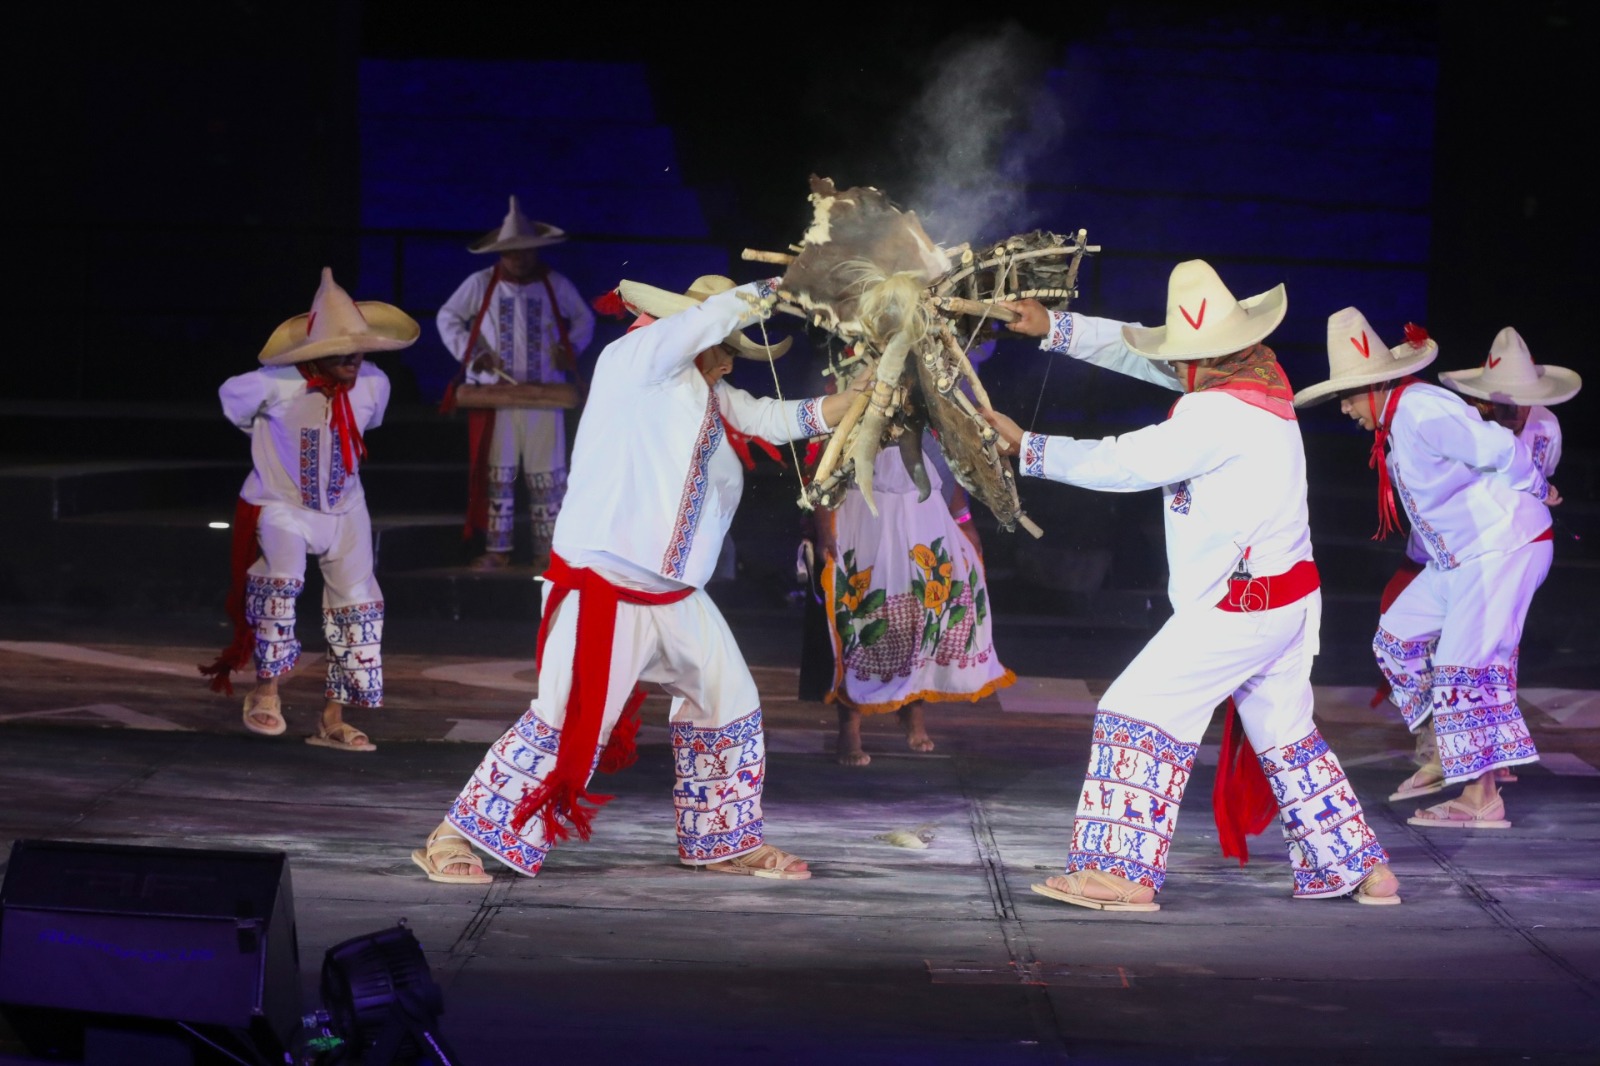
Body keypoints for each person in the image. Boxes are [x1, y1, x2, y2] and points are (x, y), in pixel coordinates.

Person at [412, 274, 870, 885]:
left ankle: (723, 840)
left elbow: (781, 418)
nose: (731, 357)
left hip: (676, 595)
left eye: (736, 345)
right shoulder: (634, 359)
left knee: (727, 703)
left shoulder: (708, 389)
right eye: (726, 342)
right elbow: (692, 331)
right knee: (568, 718)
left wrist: (866, 394)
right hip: (605, 585)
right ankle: (452, 835)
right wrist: (775, 288)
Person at [983, 260, 1399, 911]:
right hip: (1286, 600)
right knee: (1285, 734)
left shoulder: (1212, 415)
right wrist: (1054, 328)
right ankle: (1360, 867)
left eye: (1184, 357)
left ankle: (1121, 876)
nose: (1174, 367)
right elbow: (1145, 353)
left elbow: (1125, 462)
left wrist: (1029, 449)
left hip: (1240, 609)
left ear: (1206, 358)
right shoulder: (1258, 376)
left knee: (1135, 710)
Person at [1294, 308, 1559, 830]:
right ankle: (1444, 749)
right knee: (1396, 639)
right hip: (1460, 556)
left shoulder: (1420, 409)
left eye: (1347, 395)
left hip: (1503, 546)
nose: (1345, 408)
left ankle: (1481, 797)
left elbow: (1501, 446)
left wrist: (1538, 487)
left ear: (1374, 387)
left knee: (1465, 667)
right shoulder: (1401, 421)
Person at [200, 268, 419, 751]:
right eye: (341, 348)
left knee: (358, 605)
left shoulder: (374, 384)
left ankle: (332, 718)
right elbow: (233, 405)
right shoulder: (270, 384)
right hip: (282, 504)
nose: (353, 358)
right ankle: (266, 691)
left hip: (346, 507)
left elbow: (369, 423)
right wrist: (267, 443)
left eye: (358, 348)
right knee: (281, 585)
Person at [1381, 326, 1580, 795]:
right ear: (1482, 402)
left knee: (1478, 662)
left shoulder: (1546, 428)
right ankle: (1454, 750)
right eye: (1499, 406)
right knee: (1407, 643)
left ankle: (1479, 782)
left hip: (1499, 545)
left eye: (1519, 405)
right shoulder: (1459, 422)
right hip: (1452, 549)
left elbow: (1521, 484)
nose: (1509, 414)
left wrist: (1535, 490)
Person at [816, 434, 1014, 766]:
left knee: (922, 616)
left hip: (923, 518)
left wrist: (965, 522)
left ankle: (913, 710)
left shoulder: (927, 413)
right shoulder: (854, 408)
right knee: (863, 620)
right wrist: (823, 530)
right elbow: (824, 475)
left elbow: (949, 473)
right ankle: (849, 726)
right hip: (865, 518)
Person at [437, 196, 595, 570]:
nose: (519, 259)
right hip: (500, 395)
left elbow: (584, 320)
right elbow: (448, 318)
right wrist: (474, 356)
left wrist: (567, 348)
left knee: (548, 475)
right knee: (500, 473)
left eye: (525, 251)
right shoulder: (481, 284)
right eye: (512, 253)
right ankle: (498, 550)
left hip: (545, 395)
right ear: (501, 253)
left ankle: (548, 551)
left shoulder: (555, 284)